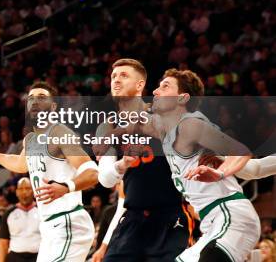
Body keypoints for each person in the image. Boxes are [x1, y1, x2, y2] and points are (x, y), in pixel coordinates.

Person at [147, 68, 260, 262]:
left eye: (165, 86)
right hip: (210, 223)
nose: (156, 91)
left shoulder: (191, 125)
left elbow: (241, 151)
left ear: (182, 98)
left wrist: (220, 173)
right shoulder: (165, 132)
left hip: (231, 215)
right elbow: (129, 117)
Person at [0, 82, 98, 262]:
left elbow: (92, 172)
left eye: (41, 98)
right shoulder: (31, 139)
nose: (34, 102)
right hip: (49, 227)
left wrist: (67, 187)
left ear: (53, 106)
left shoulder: (60, 132)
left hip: (68, 221)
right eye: (31, 98)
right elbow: (21, 164)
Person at [93, 58, 192, 262]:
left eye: (123, 75)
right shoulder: (106, 125)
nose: (116, 80)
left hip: (169, 214)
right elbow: (105, 179)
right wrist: (122, 164)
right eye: (113, 76)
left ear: (140, 84)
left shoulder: (161, 114)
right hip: (133, 216)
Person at [0, 177, 40, 262]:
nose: (24, 192)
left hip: (39, 256)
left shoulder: (42, 211)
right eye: (21, 189)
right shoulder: (8, 213)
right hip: (15, 257)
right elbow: (3, 243)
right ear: (16, 192)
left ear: (33, 191)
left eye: (27, 188)